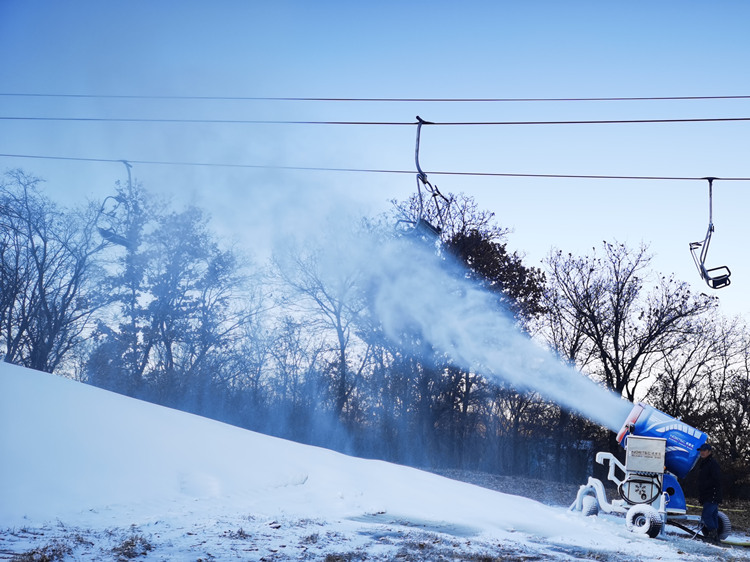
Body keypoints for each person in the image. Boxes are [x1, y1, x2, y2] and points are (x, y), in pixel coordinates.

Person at [696, 442, 722, 543]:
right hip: (708, 494)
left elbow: (716, 479)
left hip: (712, 494)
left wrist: (706, 486)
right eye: (701, 451)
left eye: (704, 451)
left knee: (706, 515)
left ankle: (712, 534)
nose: (702, 453)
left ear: (709, 452)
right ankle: (715, 537)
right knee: (713, 516)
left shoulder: (712, 463)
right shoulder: (704, 463)